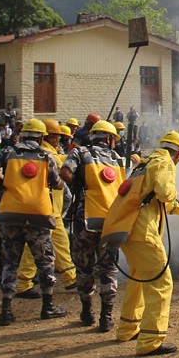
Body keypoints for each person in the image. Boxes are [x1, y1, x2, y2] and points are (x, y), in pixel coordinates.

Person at [105, 131, 179, 356]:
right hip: (143, 233)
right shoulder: (165, 162)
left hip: (128, 230)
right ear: (178, 154)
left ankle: (128, 328)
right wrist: (174, 193)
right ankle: (150, 342)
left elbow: (155, 200)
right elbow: (164, 193)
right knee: (161, 283)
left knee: (140, 279)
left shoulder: (144, 163)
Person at [0, 118, 68, 326]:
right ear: (41, 137)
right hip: (38, 215)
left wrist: (5, 181)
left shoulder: (7, 152)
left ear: (22, 135)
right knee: (45, 261)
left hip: (11, 213)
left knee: (11, 262)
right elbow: (57, 184)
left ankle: (6, 309)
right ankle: (48, 306)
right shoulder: (46, 156)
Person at [62, 119, 126, 332]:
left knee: (84, 266)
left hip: (85, 219)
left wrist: (79, 184)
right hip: (111, 221)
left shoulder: (80, 153)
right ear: (109, 139)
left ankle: (87, 310)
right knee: (108, 268)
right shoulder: (118, 159)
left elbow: (65, 173)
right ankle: (106, 316)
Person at [14, 120, 78, 296]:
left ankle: (71, 279)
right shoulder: (44, 153)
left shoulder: (52, 152)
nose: (60, 139)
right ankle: (23, 283)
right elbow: (58, 167)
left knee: (62, 244)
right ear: (49, 136)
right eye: (58, 136)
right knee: (33, 248)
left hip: (53, 210)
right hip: (43, 209)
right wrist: (75, 156)